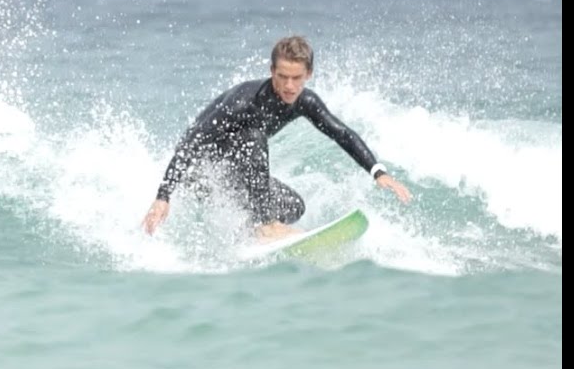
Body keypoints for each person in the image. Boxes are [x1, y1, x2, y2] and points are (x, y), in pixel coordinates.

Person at [140, 35, 411, 240]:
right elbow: (192, 143)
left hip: (237, 172)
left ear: (309, 75)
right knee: (254, 136)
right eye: (282, 77)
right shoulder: (244, 102)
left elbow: (341, 133)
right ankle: (266, 226)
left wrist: (378, 172)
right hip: (203, 170)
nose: (289, 86)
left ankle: (253, 232)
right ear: (272, 72)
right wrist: (163, 196)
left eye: (297, 78)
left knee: (293, 206)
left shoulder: (305, 101)